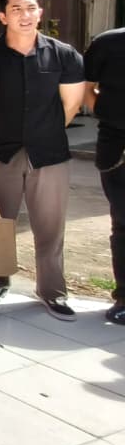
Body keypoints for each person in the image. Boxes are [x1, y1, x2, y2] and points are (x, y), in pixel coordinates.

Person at [0, 0, 84, 320]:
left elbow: (70, 106)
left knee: (51, 226)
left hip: (49, 154)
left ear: (40, 12)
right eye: (16, 9)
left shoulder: (64, 55)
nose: (24, 15)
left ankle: (52, 291)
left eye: (30, 8)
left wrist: (41, 133)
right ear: (2, 16)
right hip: (1, 152)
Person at [85, 24, 125, 325]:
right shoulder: (108, 42)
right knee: (122, 224)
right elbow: (87, 87)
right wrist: (110, 114)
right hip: (117, 146)